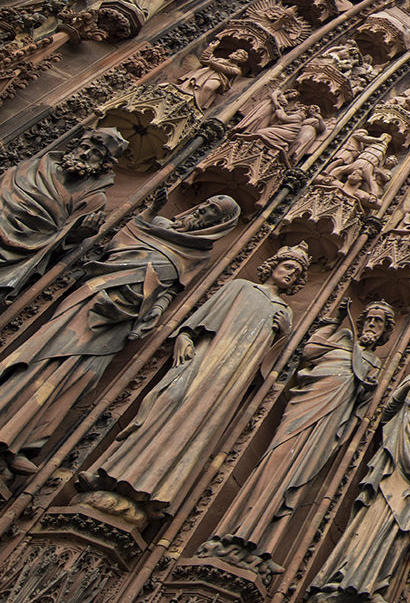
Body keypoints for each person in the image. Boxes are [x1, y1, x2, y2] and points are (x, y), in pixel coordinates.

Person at [0, 195, 240, 476]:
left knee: (82, 377)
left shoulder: (199, 254)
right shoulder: (157, 224)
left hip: (124, 318)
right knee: (44, 357)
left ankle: (23, 440)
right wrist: (150, 209)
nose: (202, 208)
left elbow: (172, 290)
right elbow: (117, 243)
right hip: (92, 299)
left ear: (219, 224)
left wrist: (149, 314)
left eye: (212, 211)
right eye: (206, 203)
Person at [80, 243, 309, 519]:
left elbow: (270, 364)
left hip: (232, 379)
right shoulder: (240, 288)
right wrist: (184, 335)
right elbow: (202, 318)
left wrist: (281, 330)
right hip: (204, 359)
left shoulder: (284, 313)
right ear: (272, 265)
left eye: (297, 274)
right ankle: (113, 470)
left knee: (196, 426)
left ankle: (155, 490)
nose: (291, 275)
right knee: (168, 402)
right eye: (288, 267)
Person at [204, 300, 396, 571]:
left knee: (297, 476)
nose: (372, 325)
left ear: (385, 332)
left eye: (379, 322)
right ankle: (234, 528)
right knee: (277, 458)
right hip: (304, 406)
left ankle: (263, 544)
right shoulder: (342, 338)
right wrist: (336, 318)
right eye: (370, 319)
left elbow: (364, 397)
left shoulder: (373, 362)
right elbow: (310, 351)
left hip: (329, 421)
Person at [311, 346, 410, 603]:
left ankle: (375, 583)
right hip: (400, 453)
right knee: (381, 509)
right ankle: (346, 576)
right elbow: (387, 414)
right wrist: (405, 390)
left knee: (407, 521)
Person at [0, 129, 128, 301]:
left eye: (96, 153)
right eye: (84, 147)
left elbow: (60, 244)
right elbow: (6, 184)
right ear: (75, 147)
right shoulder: (36, 166)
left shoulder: (94, 199)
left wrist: (79, 234)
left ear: (104, 163)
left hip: (23, 249)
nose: (85, 154)